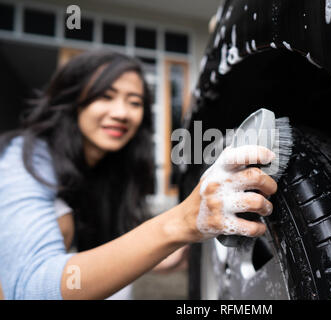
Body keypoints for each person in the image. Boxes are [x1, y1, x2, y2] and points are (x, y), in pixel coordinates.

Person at [0, 50, 277, 300]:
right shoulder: (22, 160)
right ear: (73, 101)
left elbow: (105, 247)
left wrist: (164, 252)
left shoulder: (109, 172)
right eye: (105, 97)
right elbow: (28, 288)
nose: (121, 113)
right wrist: (180, 222)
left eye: (134, 102)